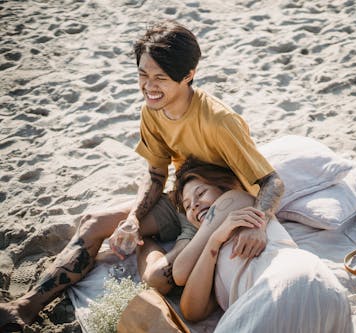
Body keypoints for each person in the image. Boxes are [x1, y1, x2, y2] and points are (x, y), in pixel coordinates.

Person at [0, 20, 283, 331]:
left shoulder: (218, 121)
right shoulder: (152, 111)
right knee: (95, 221)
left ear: (188, 76)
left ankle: (148, 243)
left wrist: (258, 222)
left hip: (212, 207)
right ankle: (26, 306)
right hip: (181, 199)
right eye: (143, 75)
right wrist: (134, 218)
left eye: (160, 78)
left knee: (161, 280)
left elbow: (272, 181)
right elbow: (155, 173)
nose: (149, 86)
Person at [171, 158, 353, 332]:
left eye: (201, 193)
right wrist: (214, 241)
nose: (194, 205)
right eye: (187, 207)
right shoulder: (211, 251)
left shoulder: (236, 200)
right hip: (315, 295)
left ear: (223, 187)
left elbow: (179, 272)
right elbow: (192, 311)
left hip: (288, 280)